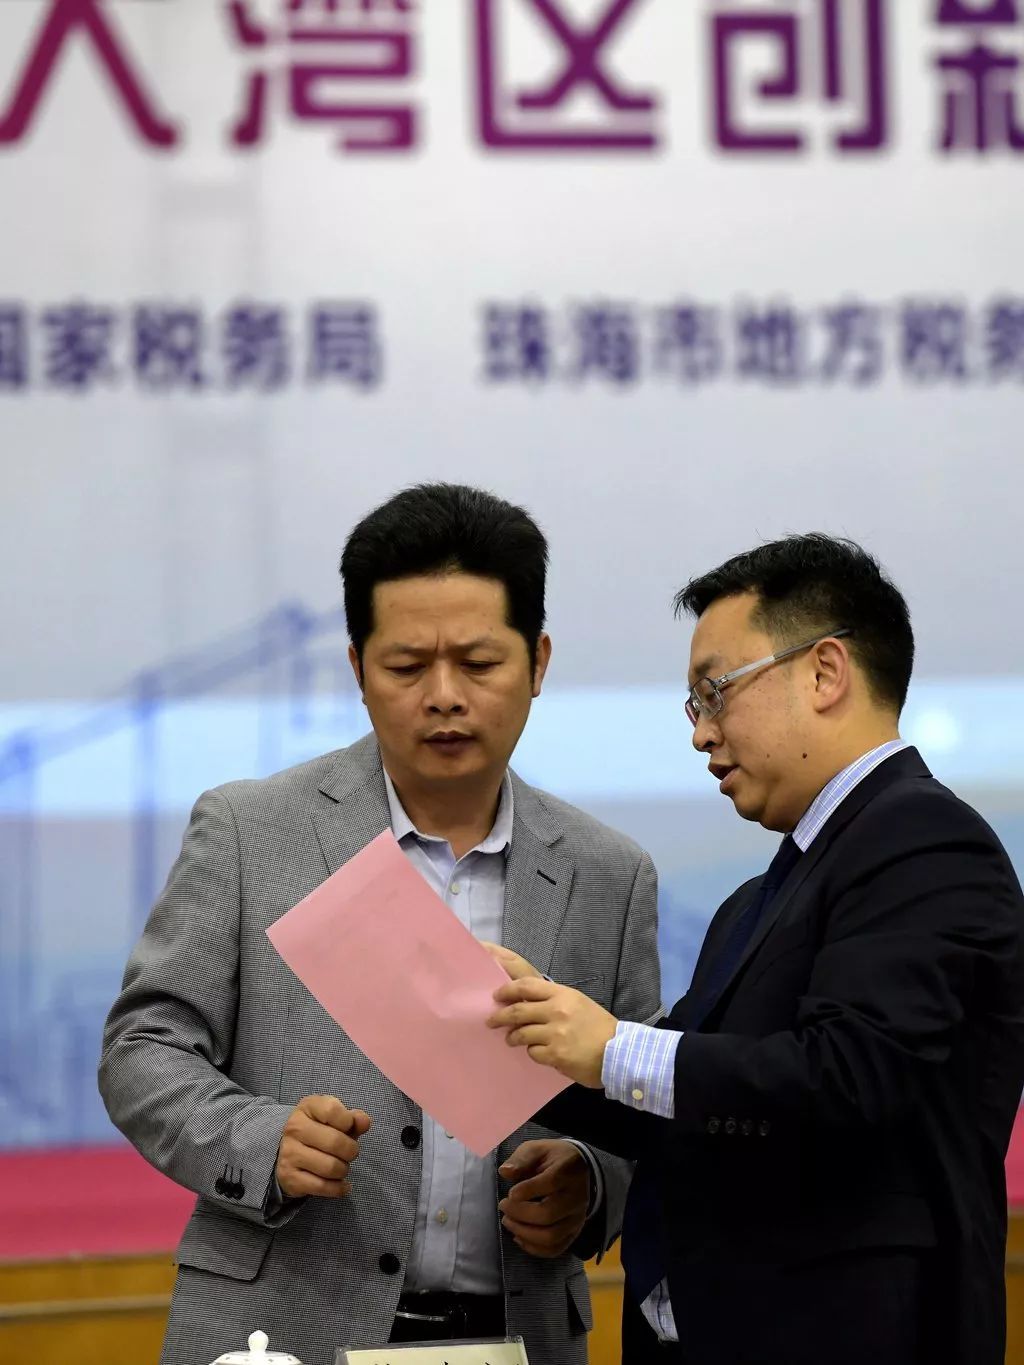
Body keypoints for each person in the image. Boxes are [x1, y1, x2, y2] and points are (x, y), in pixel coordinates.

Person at [99, 483, 661, 1365]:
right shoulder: (251, 831)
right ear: (359, 668)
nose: (444, 696)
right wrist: (261, 1139)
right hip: (283, 1327)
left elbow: (643, 1106)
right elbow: (143, 1048)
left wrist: (592, 1186)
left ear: (539, 662)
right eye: (406, 667)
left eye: (479, 662)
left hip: (517, 1334)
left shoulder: (609, 873)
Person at [487, 533, 1024, 1365]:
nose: (701, 734)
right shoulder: (756, 900)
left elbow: (848, 1075)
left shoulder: (923, 836)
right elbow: (691, 1099)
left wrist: (613, 1046)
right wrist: (516, 1033)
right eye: (693, 706)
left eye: (715, 692)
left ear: (825, 672)